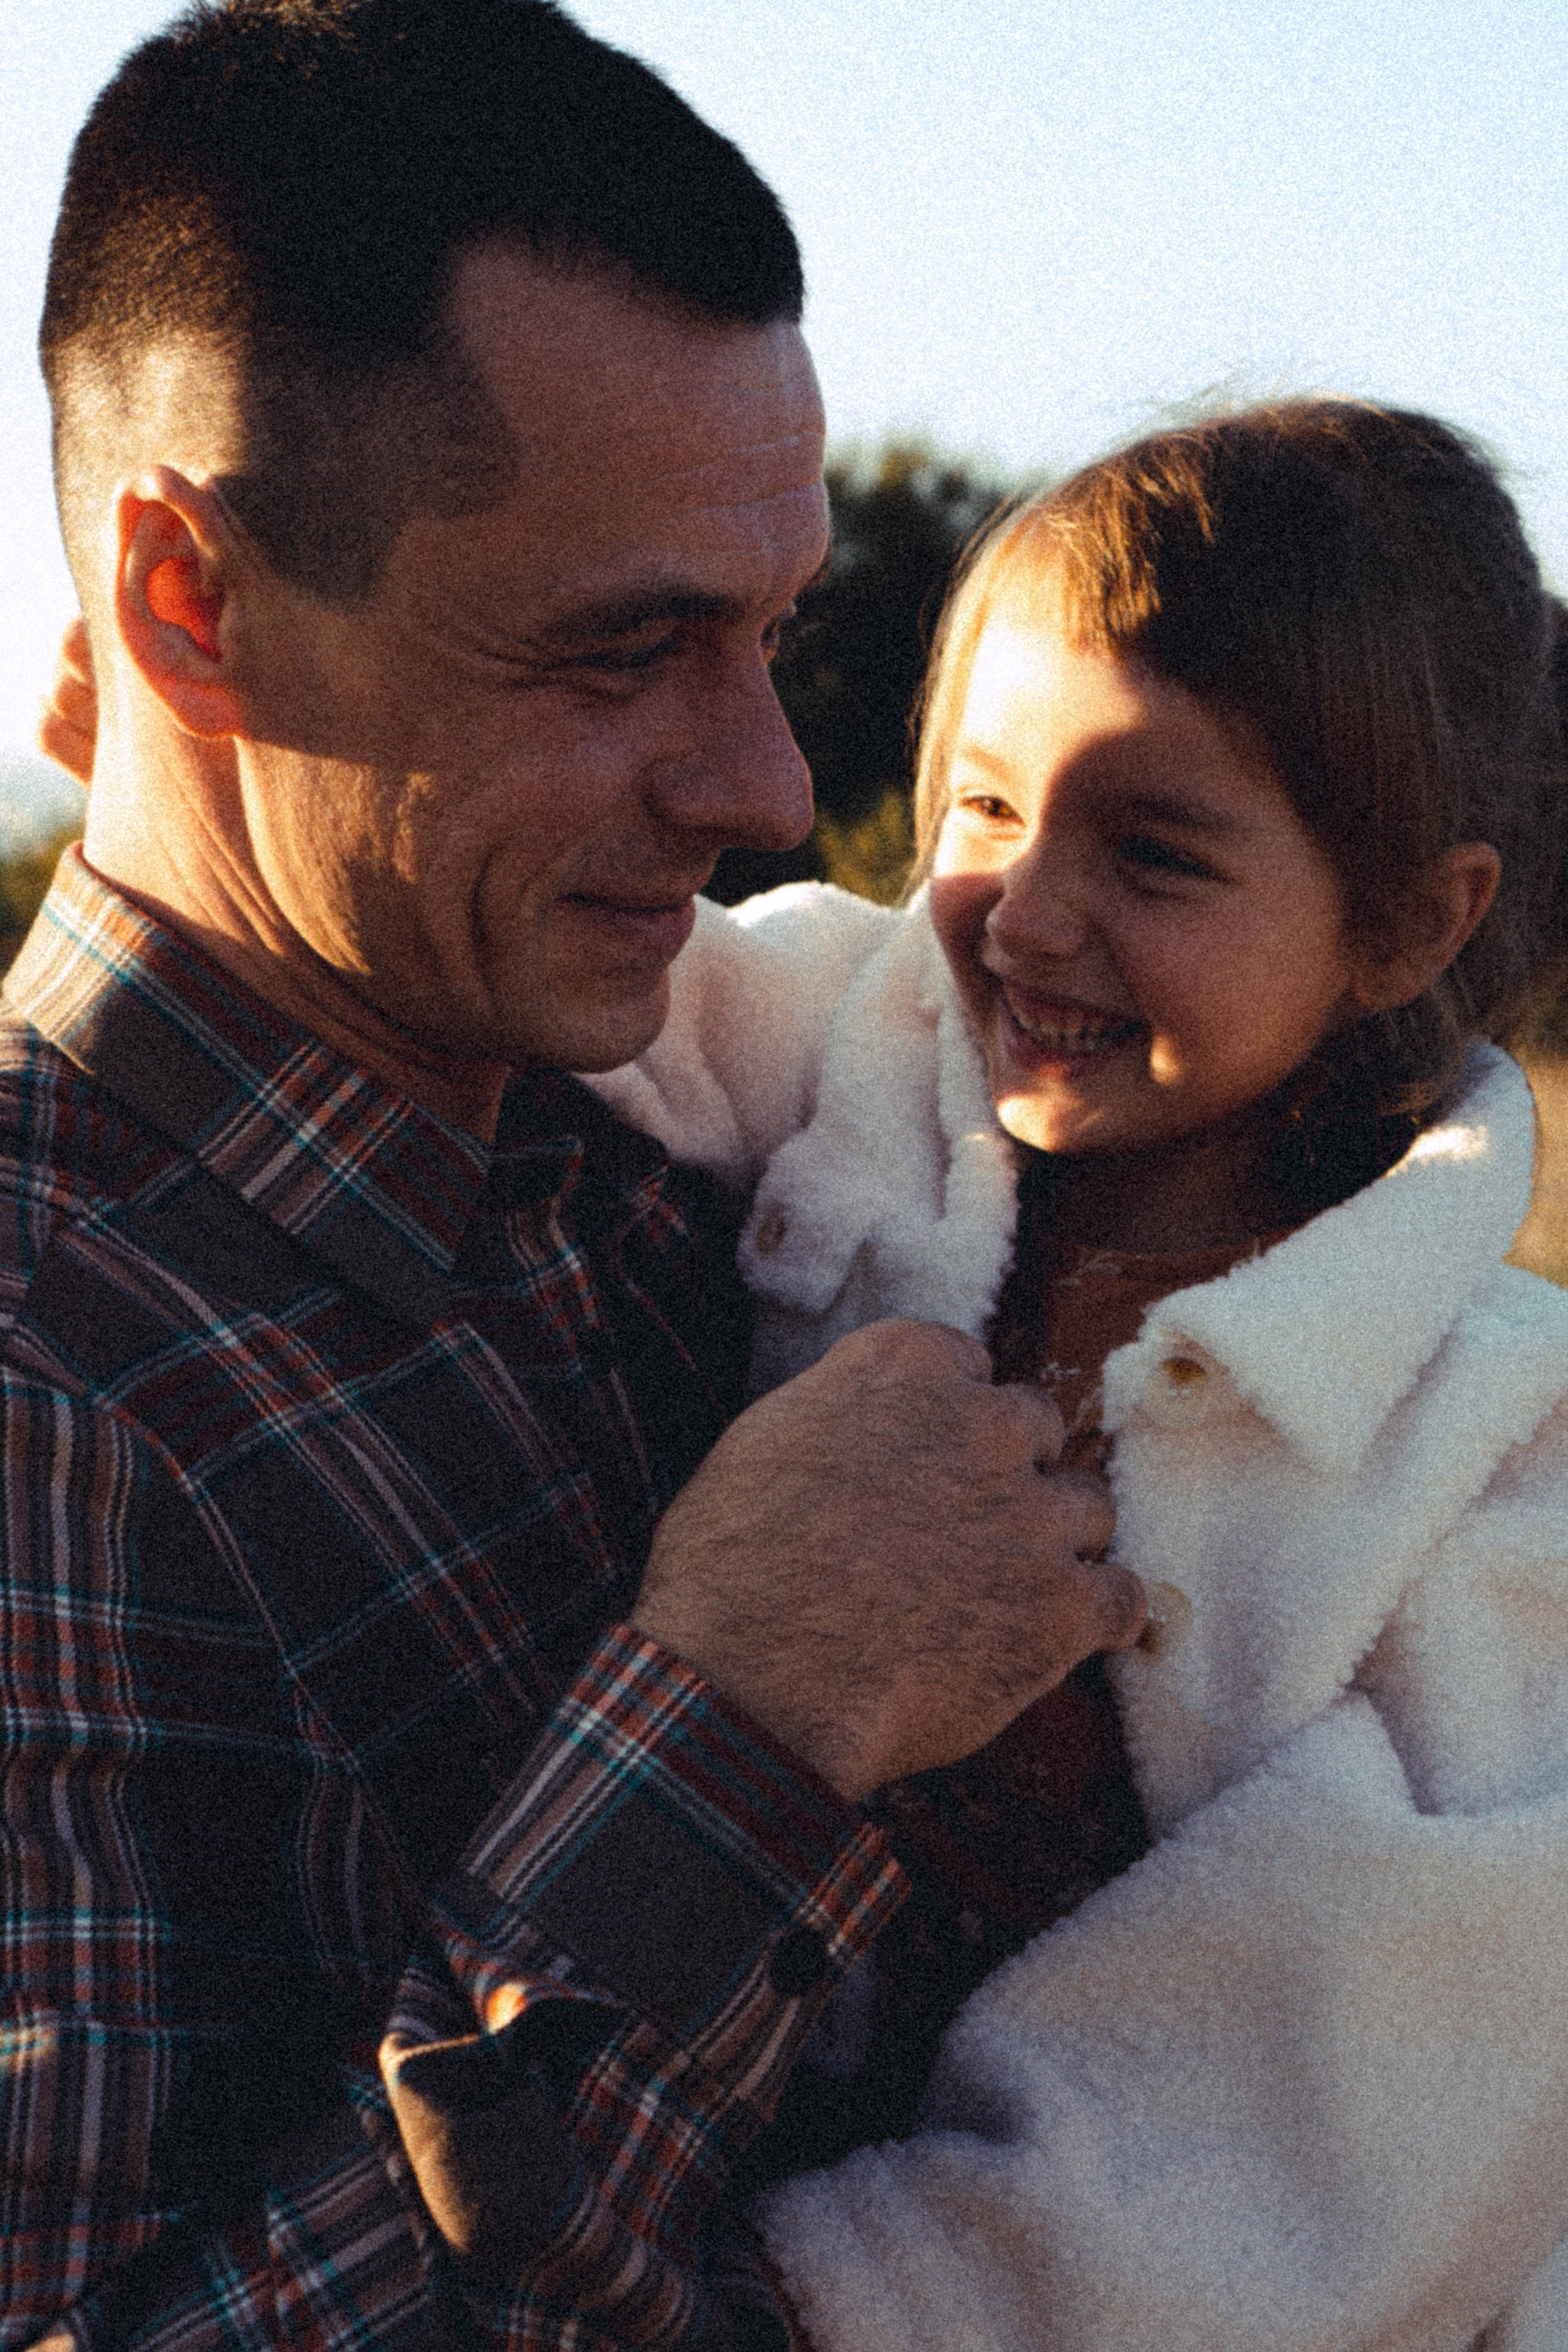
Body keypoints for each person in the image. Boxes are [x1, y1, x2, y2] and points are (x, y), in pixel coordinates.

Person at [2, 2, 1144, 2344]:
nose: (756, 785)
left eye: (772, 636)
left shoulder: (711, 1165)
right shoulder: (44, 1377)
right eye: (623, 651)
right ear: (193, 606)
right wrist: (735, 1736)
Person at [587, 401, 1568, 2349]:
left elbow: (1367, 2065)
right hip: (679, 2167)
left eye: (1157, 850)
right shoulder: (854, 1043)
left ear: (1405, 924)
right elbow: (539, 1008)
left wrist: (853, 2302)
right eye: (984, 803)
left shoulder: (1487, 1445)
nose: (1027, 916)